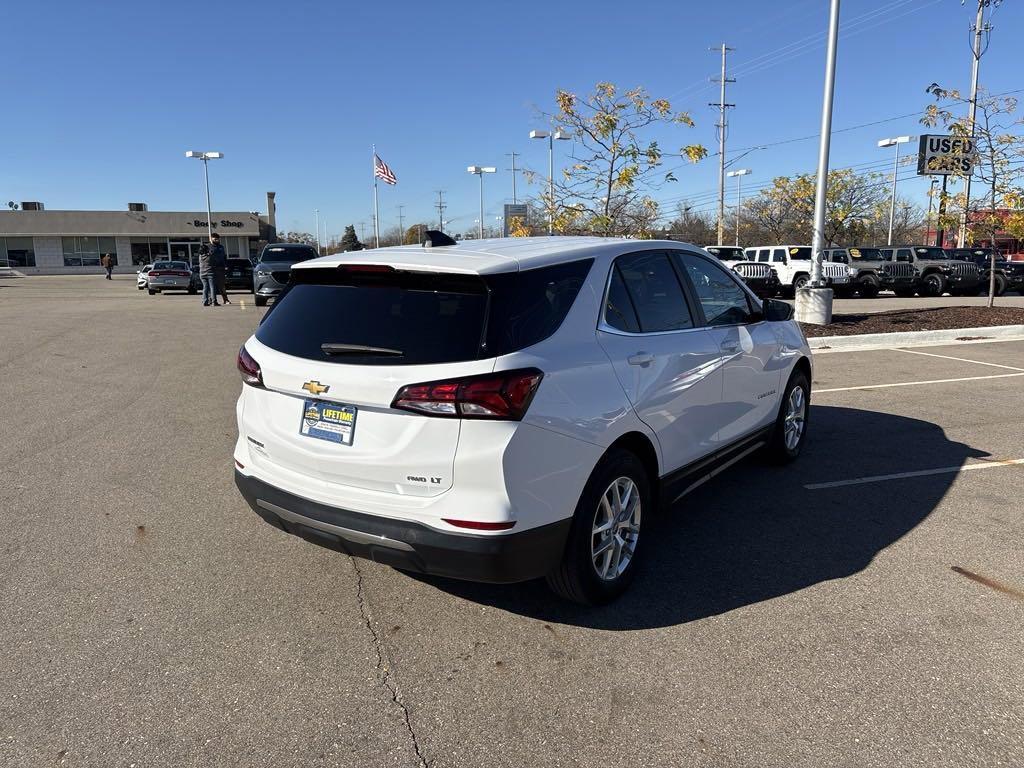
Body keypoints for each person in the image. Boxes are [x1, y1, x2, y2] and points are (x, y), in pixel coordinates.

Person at [209, 233, 230, 305]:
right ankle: (211, 300)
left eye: (217, 239)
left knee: (222, 286)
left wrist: (225, 265)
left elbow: (224, 257)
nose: (217, 240)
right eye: (215, 239)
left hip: (221, 269)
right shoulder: (209, 247)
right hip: (212, 269)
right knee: (212, 286)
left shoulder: (221, 247)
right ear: (211, 239)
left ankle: (226, 299)